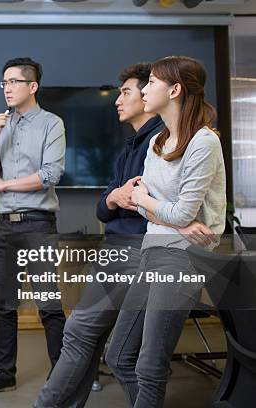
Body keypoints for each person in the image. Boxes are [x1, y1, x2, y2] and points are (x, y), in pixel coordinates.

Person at [34, 62, 164, 408]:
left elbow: (142, 203)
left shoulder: (159, 143)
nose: (117, 100)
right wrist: (114, 196)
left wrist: (120, 198)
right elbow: (104, 208)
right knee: (87, 336)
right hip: (117, 247)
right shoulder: (130, 146)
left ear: (149, 94)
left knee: (79, 331)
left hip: (134, 249)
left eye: (126, 92)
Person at [105, 55, 226, 408]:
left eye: (153, 82)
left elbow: (168, 206)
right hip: (153, 251)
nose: (146, 88)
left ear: (174, 90)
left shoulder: (204, 142)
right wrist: (173, 217)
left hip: (183, 259)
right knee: (119, 356)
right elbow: (141, 203)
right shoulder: (158, 141)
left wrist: (159, 208)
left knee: (149, 364)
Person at [0, 57, 66, 397]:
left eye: (14, 82)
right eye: (4, 83)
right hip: (7, 228)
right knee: (5, 305)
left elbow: (49, 176)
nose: (7, 88)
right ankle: (4, 373)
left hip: (38, 225)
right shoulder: (2, 125)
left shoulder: (52, 124)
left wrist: (5, 185)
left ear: (32, 86)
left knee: (48, 304)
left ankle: (61, 375)